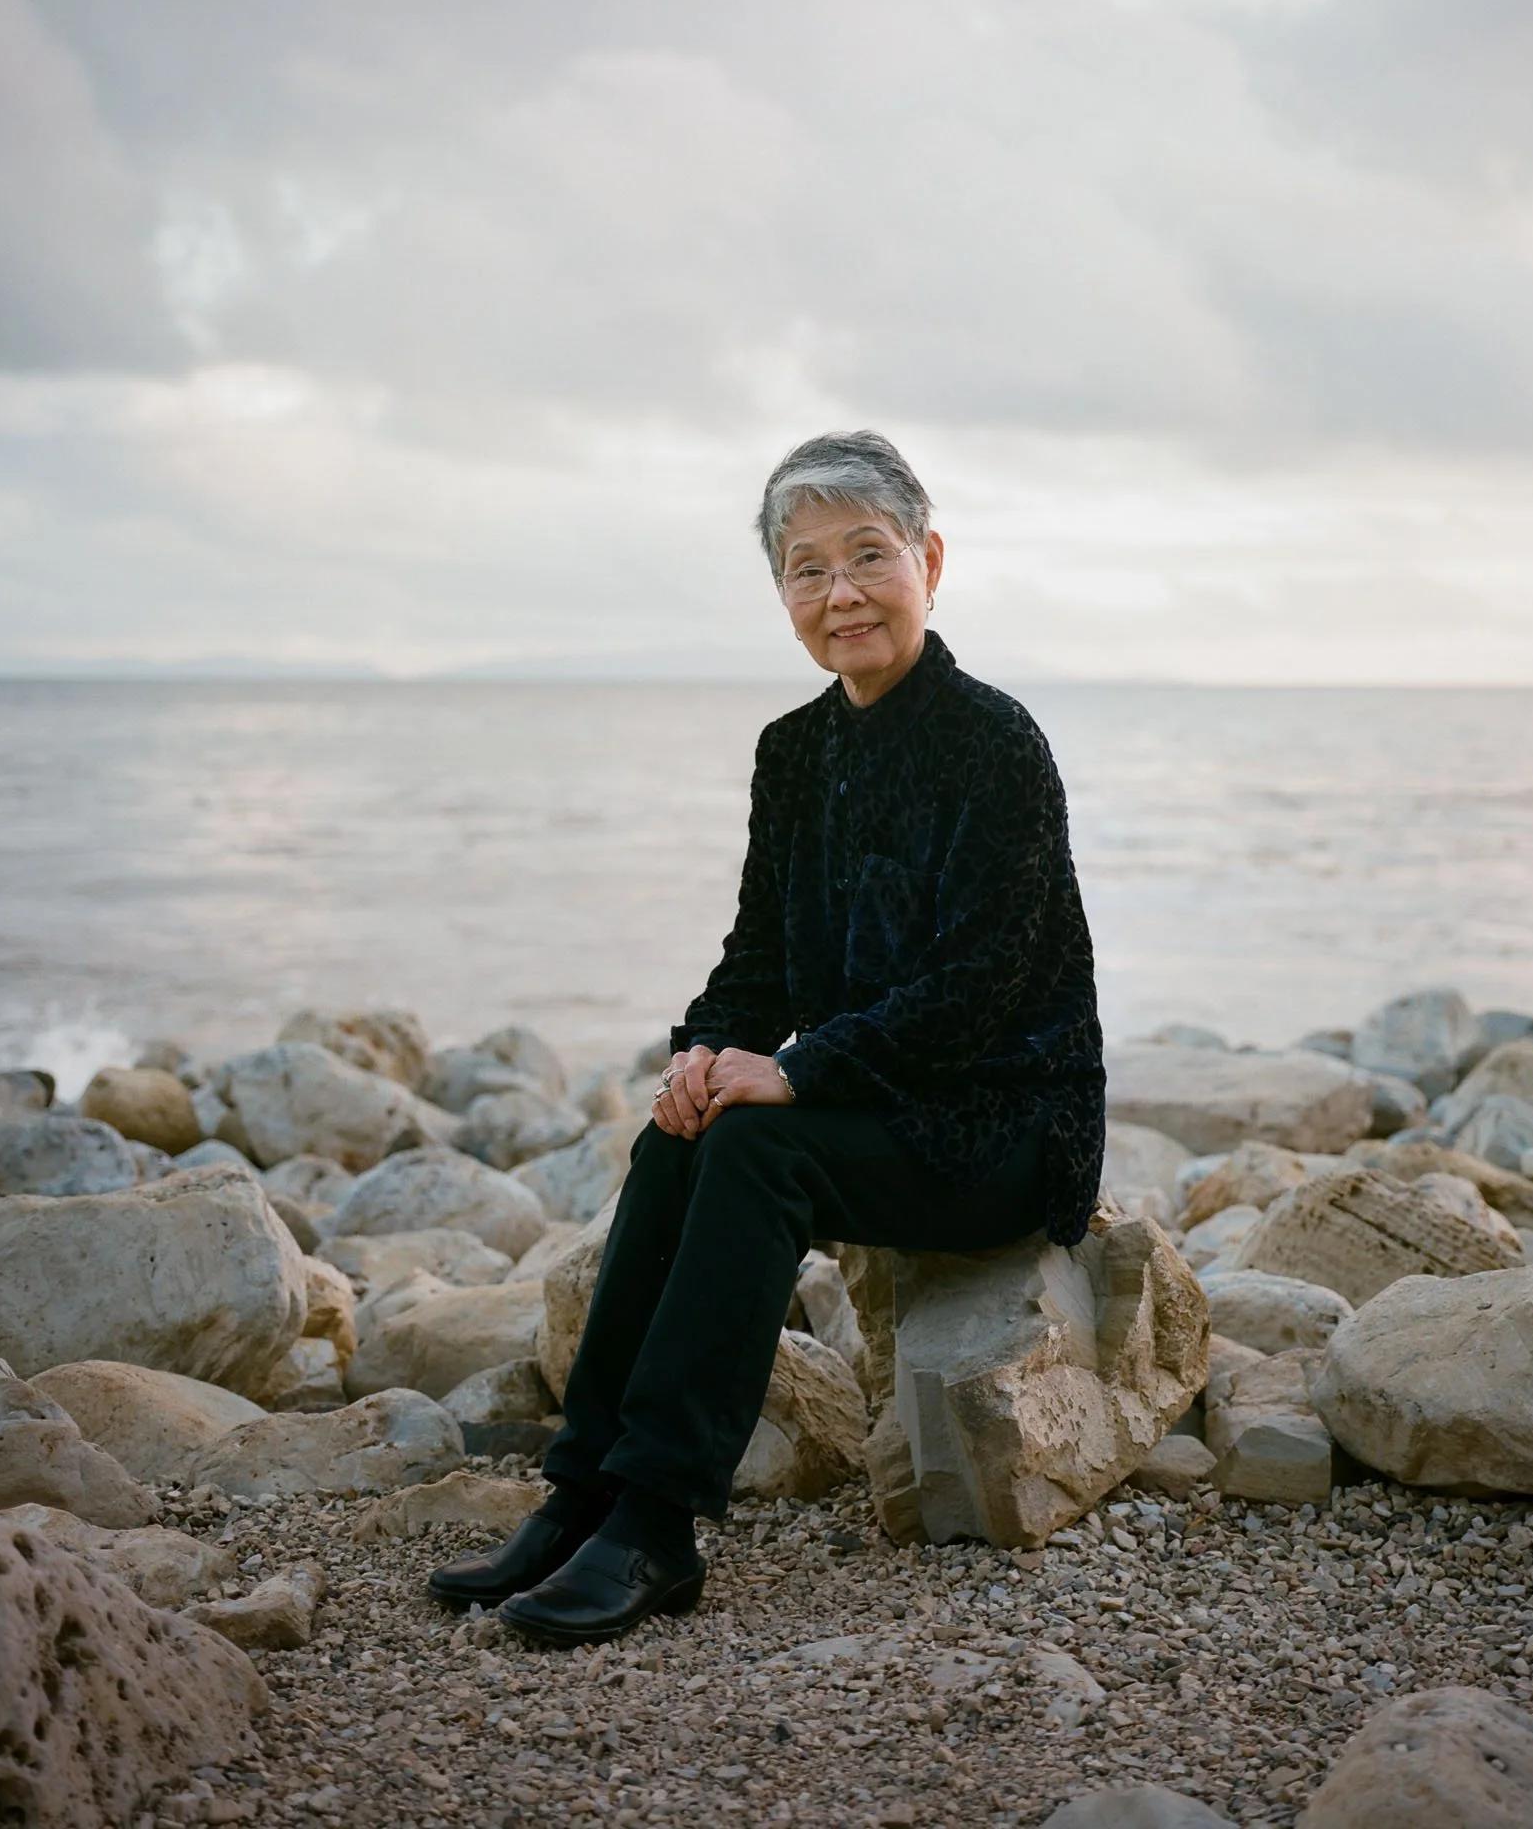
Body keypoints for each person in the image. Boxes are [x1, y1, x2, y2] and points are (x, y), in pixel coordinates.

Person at [428, 430, 1105, 1645]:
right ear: (782, 595)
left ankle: (656, 1525)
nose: (839, 592)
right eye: (805, 568)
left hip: (1002, 1123)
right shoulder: (792, 753)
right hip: (879, 1102)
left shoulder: (997, 743)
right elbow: (761, 954)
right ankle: (582, 1494)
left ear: (929, 561)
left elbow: (981, 984)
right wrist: (703, 1053)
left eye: (867, 555)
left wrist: (794, 1071)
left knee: (757, 1149)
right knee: (689, 1134)